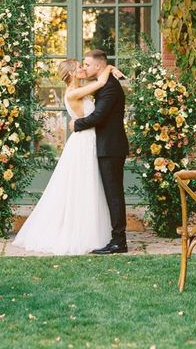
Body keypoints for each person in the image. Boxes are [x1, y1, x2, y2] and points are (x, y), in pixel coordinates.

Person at [12, 58, 118, 255]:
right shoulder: (73, 92)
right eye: (79, 67)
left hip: (88, 139)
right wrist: (110, 67)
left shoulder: (80, 89)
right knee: (84, 185)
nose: (83, 69)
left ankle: (90, 231)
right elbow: (102, 83)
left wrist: (108, 68)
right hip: (84, 142)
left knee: (88, 185)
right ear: (70, 73)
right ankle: (79, 234)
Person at [69, 48, 129, 254]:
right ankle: (114, 237)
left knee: (114, 194)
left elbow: (99, 117)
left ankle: (119, 241)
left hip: (111, 147)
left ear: (98, 66)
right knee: (110, 194)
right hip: (106, 146)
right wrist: (111, 67)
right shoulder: (104, 84)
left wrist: (77, 124)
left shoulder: (110, 87)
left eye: (87, 64)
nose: (84, 68)